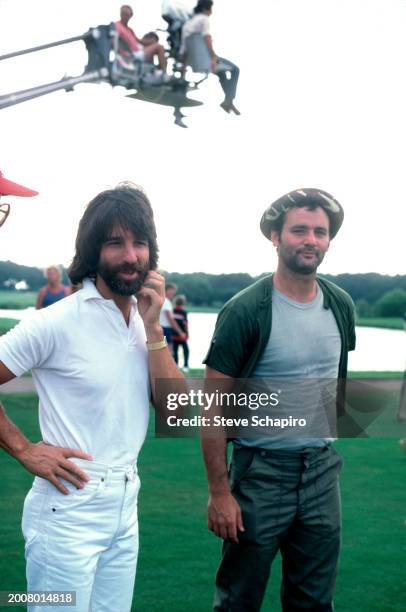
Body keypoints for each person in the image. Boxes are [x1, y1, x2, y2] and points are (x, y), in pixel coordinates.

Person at [0, 183, 184, 612]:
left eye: (140, 243)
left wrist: (155, 330)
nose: (131, 256)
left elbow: (177, 414)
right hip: (67, 511)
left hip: (125, 503)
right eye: (115, 243)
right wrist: (24, 449)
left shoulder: (146, 321)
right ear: (92, 249)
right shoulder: (55, 322)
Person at [202, 188, 356, 611]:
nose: (311, 240)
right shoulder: (245, 310)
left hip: (321, 471)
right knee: (239, 601)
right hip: (259, 473)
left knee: (313, 602)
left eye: (320, 232)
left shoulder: (341, 304)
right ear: (275, 236)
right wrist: (219, 493)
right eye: (299, 230)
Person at [180, 0, 240, 115]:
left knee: (222, 73)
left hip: (195, 64)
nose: (211, 12)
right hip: (207, 60)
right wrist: (213, 58)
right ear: (206, 9)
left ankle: (228, 101)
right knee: (236, 70)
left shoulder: (187, 25)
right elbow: (207, 38)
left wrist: (182, 71)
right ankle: (229, 100)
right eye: (211, 9)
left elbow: (184, 51)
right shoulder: (204, 19)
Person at [115, 4, 168, 77]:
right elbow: (115, 40)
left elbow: (139, 41)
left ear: (130, 16)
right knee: (159, 47)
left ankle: (153, 72)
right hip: (131, 55)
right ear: (121, 14)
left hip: (138, 50)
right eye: (124, 14)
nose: (126, 17)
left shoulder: (129, 29)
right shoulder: (117, 26)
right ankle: (164, 74)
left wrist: (152, 41)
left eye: (128, 15)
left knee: (155, 44)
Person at [159, 282, 186, 349]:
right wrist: (180, 332)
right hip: (165, 330)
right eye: (172, 291)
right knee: (169, 352)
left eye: (174, 292)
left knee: (164, 351)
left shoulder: (161, 300)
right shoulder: (166, 302)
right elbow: (171, 319)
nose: (174, 293)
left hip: (162, 329)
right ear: (167, 290)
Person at [172, 294, 189, 371]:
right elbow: (185, 324)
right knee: (186, 350)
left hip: (173, 334)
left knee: (175, 351)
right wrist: (187, 333)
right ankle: (185, 365)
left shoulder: (172, 311)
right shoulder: (183, 312)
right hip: (182, 335)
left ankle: (176, 366)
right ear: (183, 303)